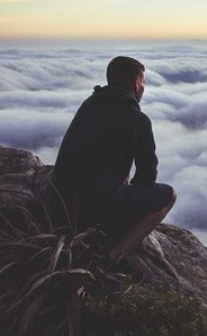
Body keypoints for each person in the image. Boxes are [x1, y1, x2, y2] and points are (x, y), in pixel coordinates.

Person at [52, 56, 176, 261]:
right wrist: (128, 190)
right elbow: (147, 177)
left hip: (59, 205)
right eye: (143, 82)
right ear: (137, 85)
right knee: (169, 195)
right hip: (92, 213)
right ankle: (113, 255)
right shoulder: (137, 119)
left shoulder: (90, 103)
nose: (143, 88)